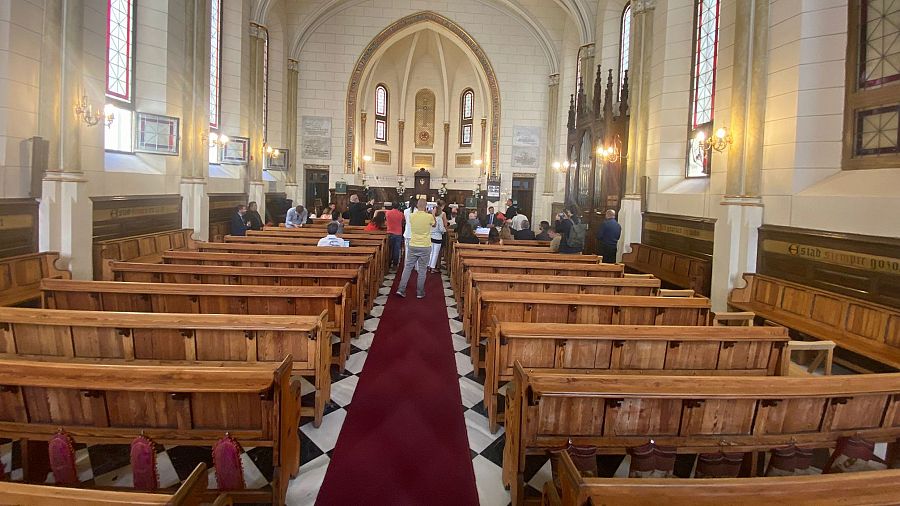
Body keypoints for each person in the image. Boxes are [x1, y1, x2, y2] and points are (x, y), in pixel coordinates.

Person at [396, 198, 435, 299]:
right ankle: (420, 292)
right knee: (422, 270)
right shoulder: (429, 216)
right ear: (426, 206)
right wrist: (432, 213)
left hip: (413, 244)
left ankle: (401, 289)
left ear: (417, 205)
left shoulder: (411, 216)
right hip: (425, 246)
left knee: (408, 268)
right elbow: (434, 224)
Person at [428, 204, 448, 273]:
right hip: (437, 238)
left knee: (431, 252)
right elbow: (441, 229)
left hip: (431, 237)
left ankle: (428, 265)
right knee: (435, 253)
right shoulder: (439, 219)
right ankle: (432, 267)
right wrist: (444, 231)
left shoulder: (430, 218)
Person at [384, 204, 404, 271]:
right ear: (398, 207)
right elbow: (403, 221)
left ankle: (388, 264)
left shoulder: (388, 212)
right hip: (398, 233)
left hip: (390, 232)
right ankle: (395, 265)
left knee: (390, 249)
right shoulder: (400, 214)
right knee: (396, 249)